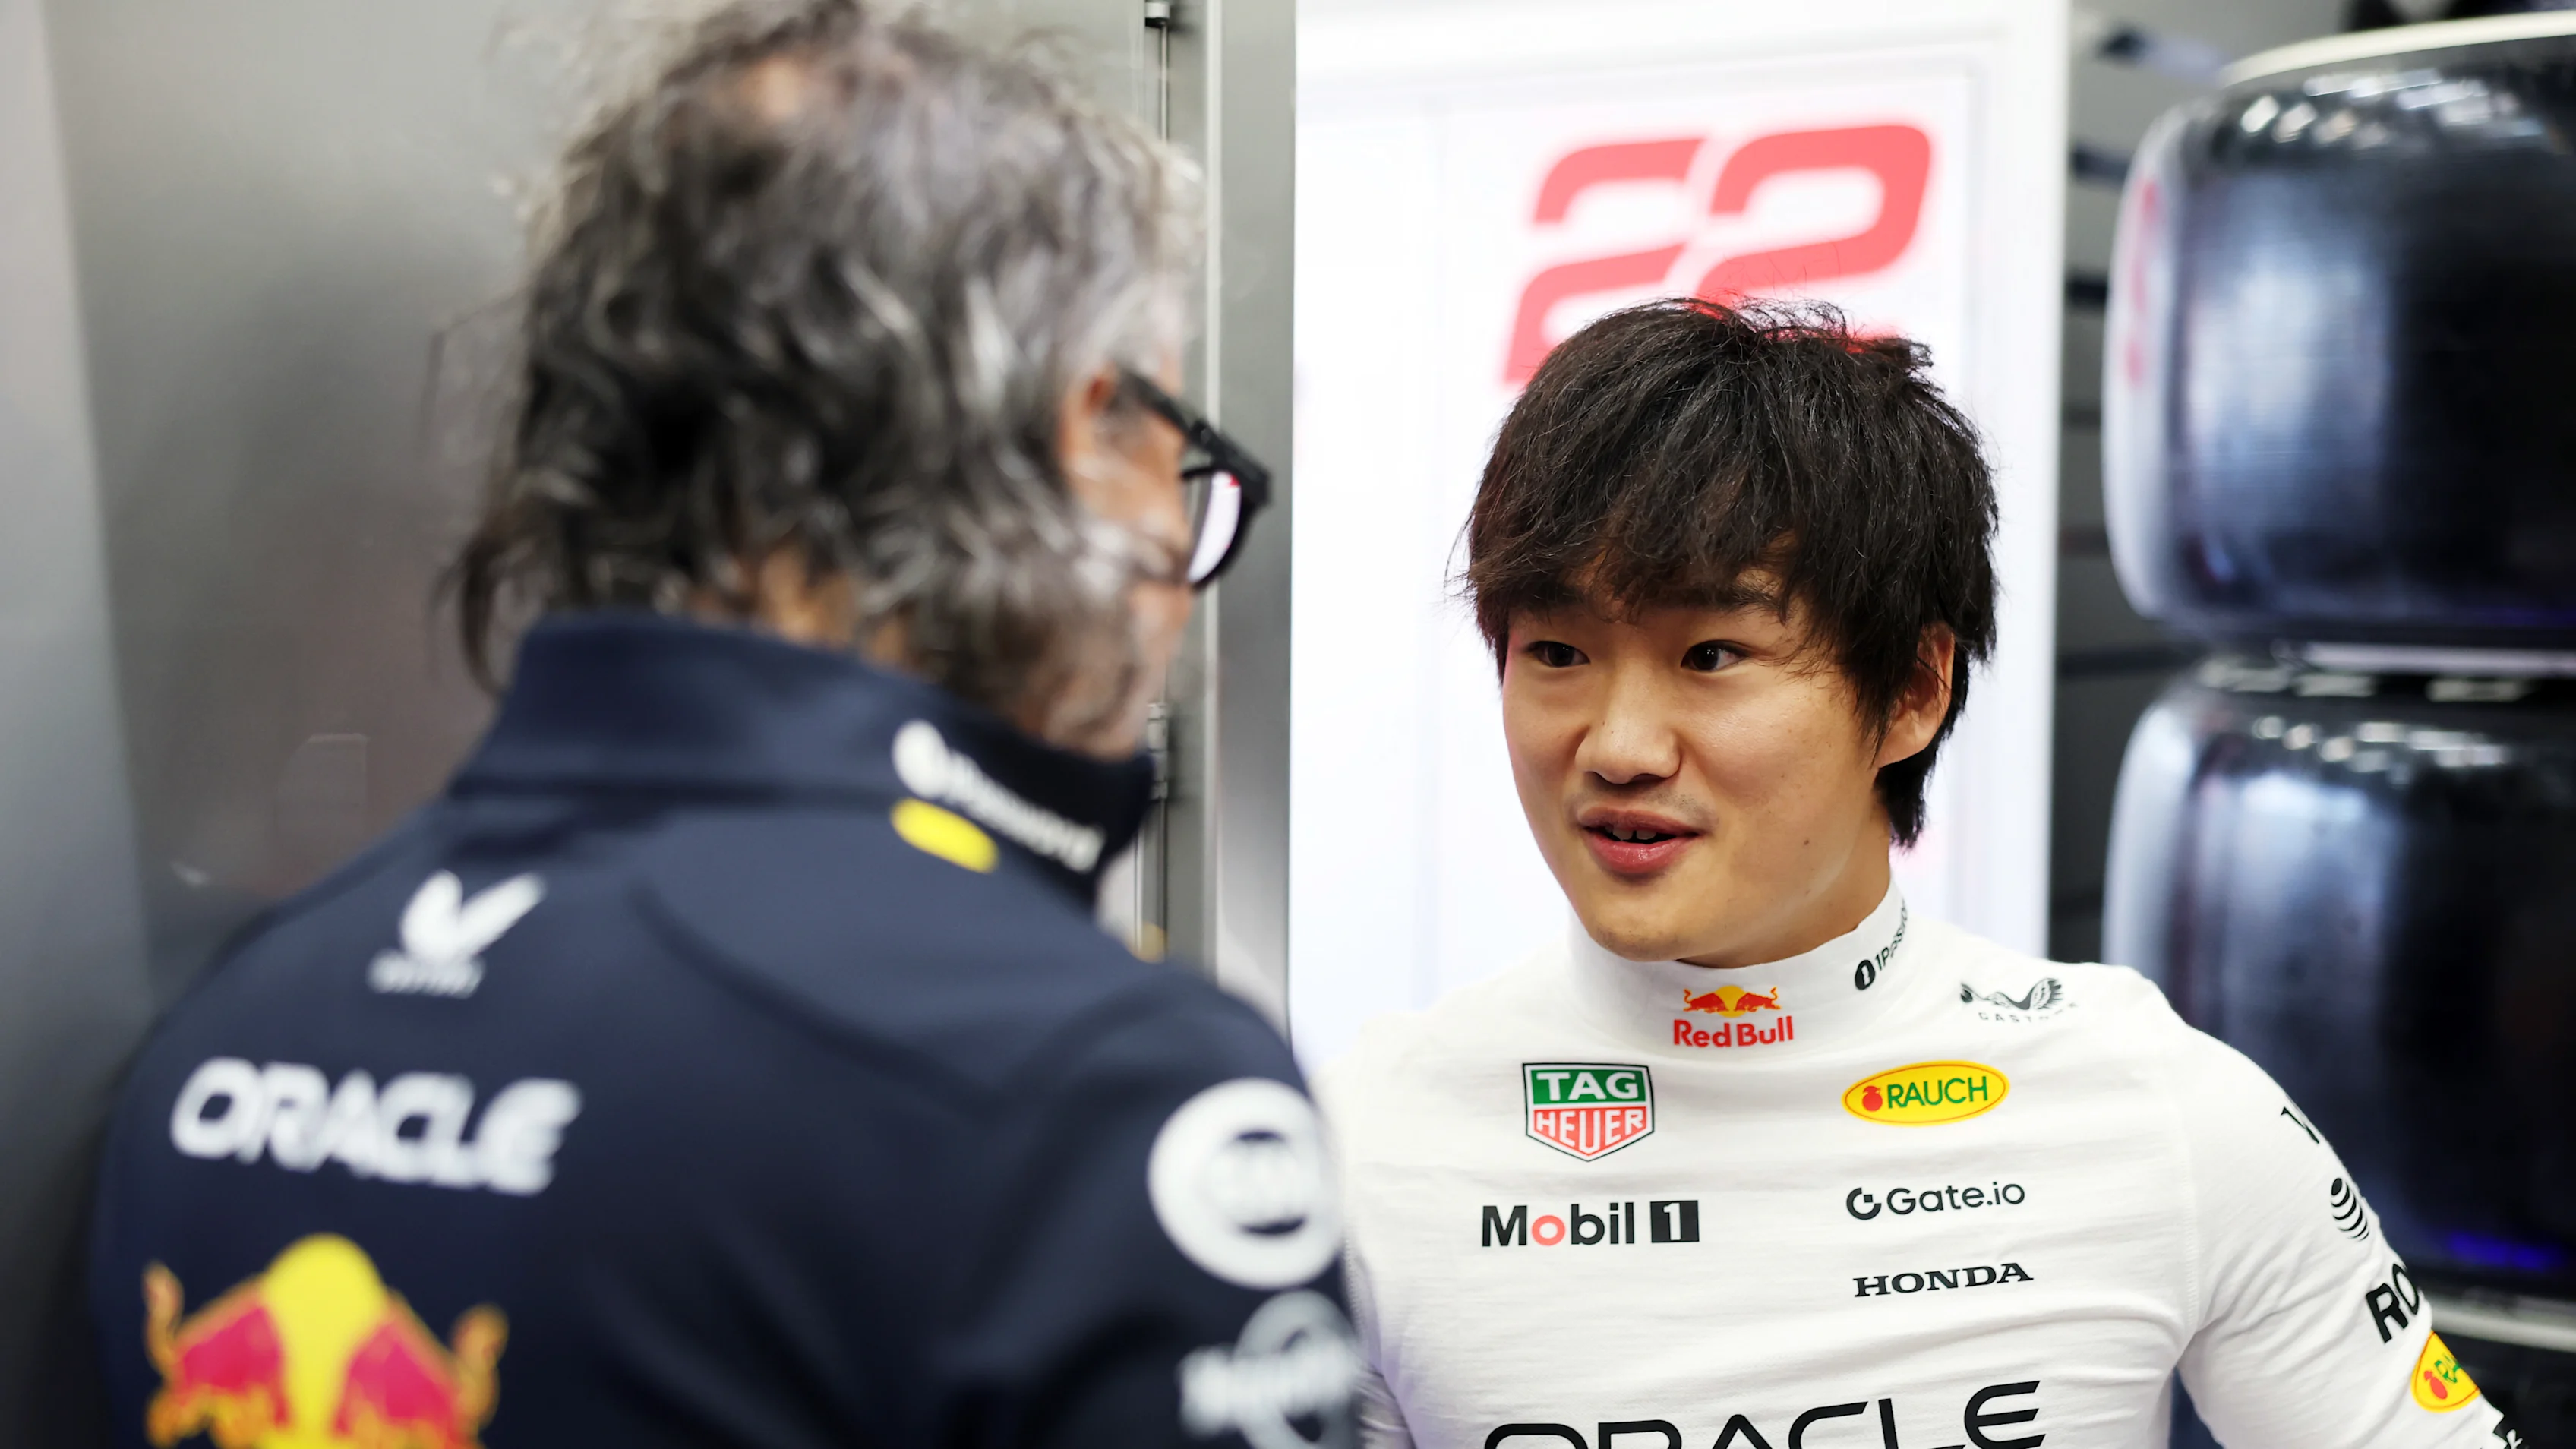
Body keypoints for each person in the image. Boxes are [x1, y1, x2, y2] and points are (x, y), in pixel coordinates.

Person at [86, 5, 1354, 1447]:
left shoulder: (236, 1032)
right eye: (1173, 458)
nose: (1179, 566)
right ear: (1086, 438)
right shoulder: (1091, 1090)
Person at [1317, 299, 2515, 1449]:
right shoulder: (1370, 1140)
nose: (1620, 748)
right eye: (1559, 651)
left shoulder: (2156, 1106)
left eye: (1713, 653)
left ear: (1912, 692)